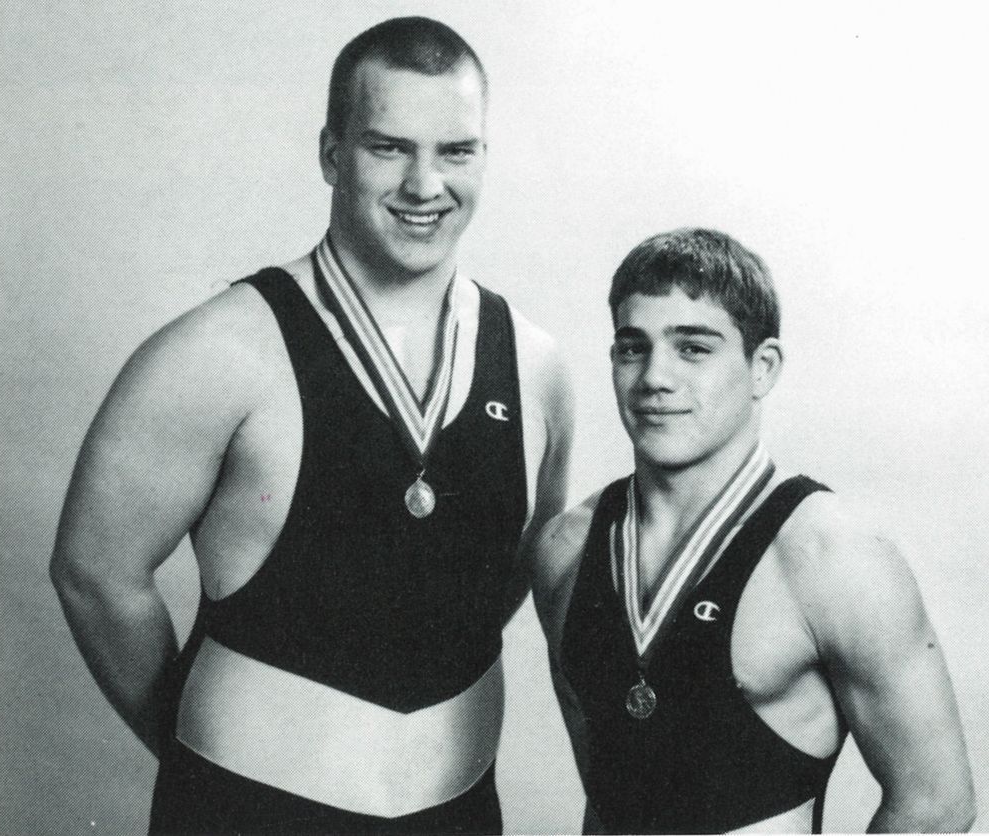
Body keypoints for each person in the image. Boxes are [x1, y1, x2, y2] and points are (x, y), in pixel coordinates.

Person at [50, 16, 572, 835]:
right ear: (333, 153)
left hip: (461, 811)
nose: (424, 185)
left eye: (456, 152)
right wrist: (204, 754)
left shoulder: (536, 366)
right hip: (247, 808)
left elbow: (503, 568)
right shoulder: (217, 352)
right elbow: (93, 573)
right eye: (389, 147)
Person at [531, 228, 975, 834]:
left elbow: (937, 807)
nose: (654, 378)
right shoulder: (567, 550)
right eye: (633, 348)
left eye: (693, 348)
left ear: (762, 367)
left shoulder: (834, 557)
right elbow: (607, 794)